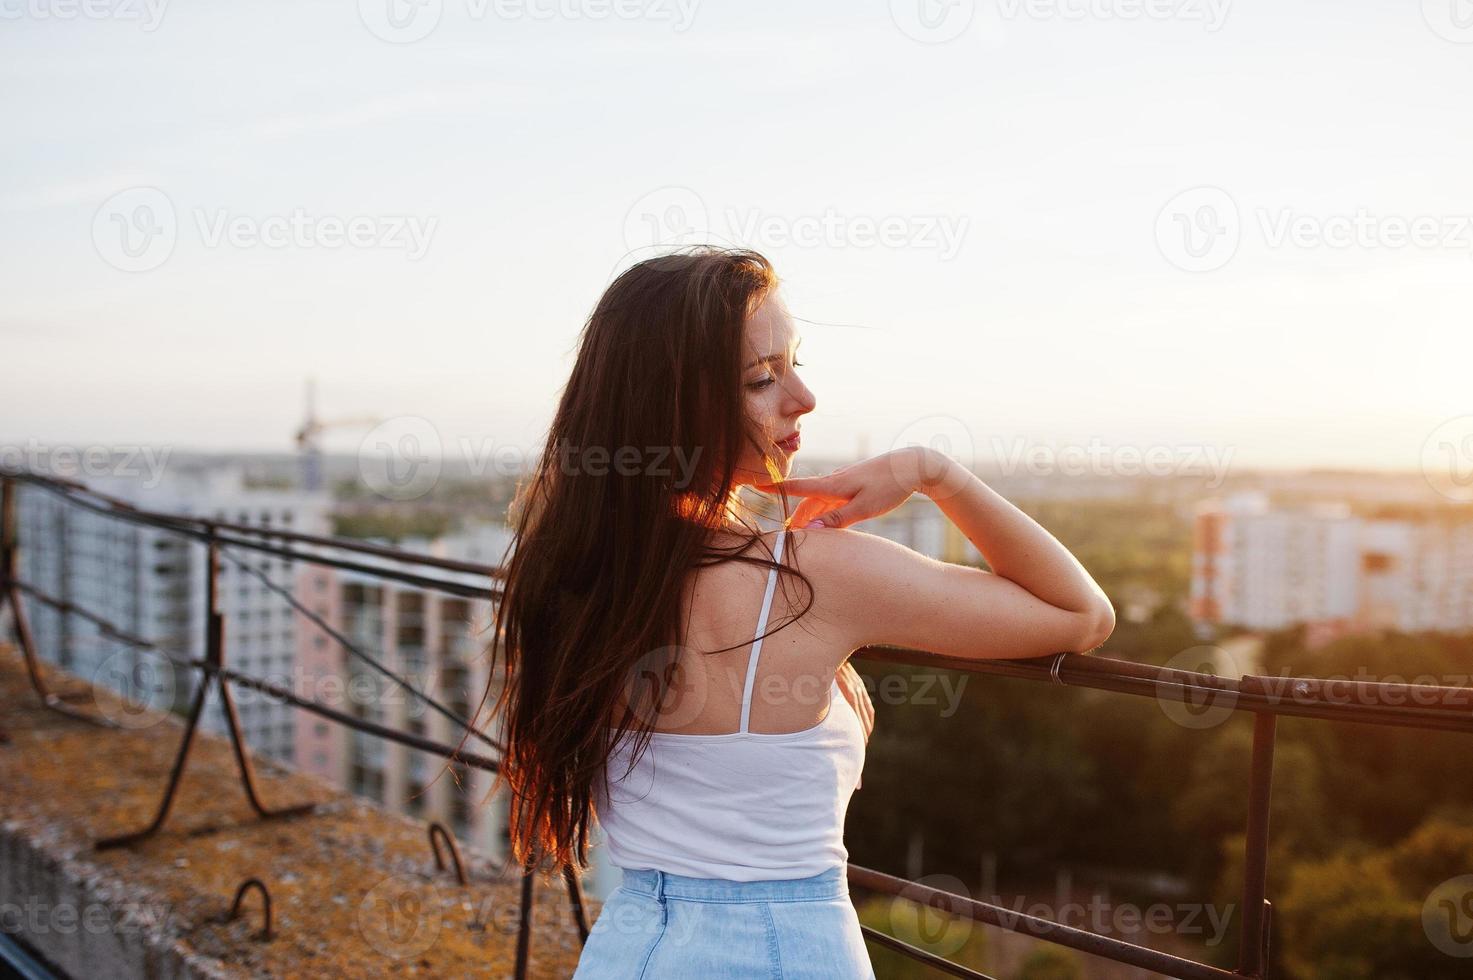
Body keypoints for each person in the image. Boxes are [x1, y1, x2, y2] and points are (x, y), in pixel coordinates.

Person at [481, 247, 1115, 978]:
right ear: (672, 404)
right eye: (761, 378)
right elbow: (1079, 614)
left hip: (627, 947)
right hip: (784, 952)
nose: (802, 398)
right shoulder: (813, 576)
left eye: (795, 363)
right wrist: (931, 472)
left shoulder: (573, 571)